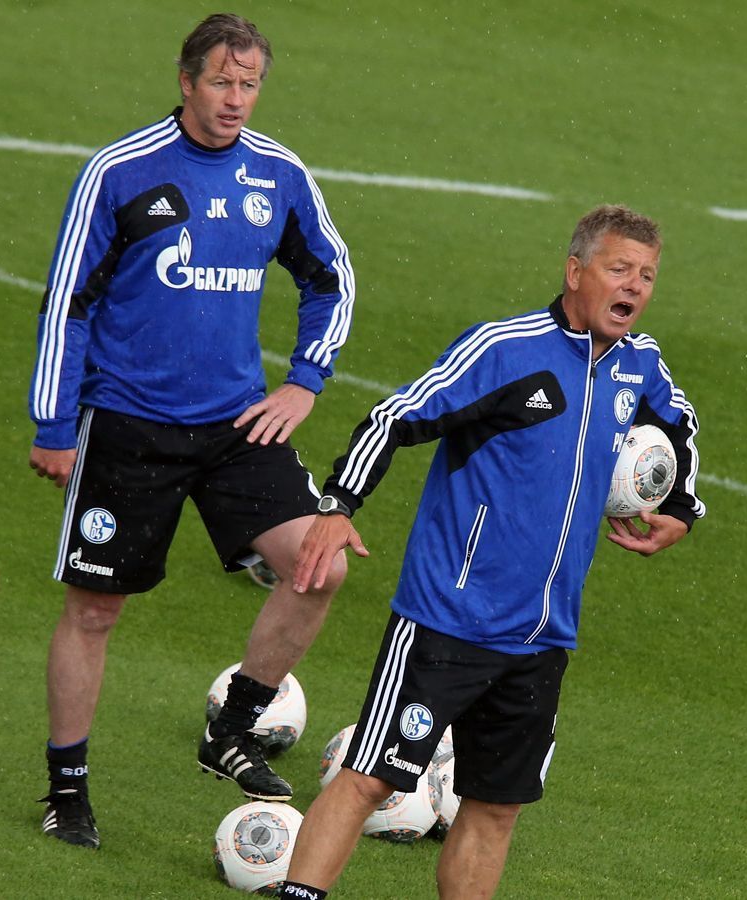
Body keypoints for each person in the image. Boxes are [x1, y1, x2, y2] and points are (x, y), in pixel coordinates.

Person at [279, 205, 704, 899]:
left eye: (647, 275)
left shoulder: (640, 366)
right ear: (575, 271)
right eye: (618, 268)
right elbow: (395, 418)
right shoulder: (505, 350)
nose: (634, 286)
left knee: (496, 807)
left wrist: (682, 508)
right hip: (448, 618)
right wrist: (337, 504)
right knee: (368, 778)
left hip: (543, 637)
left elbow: (680, 426)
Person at [26, 13, 356, 851]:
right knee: (96, 613)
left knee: (319, 568)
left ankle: (231, 728)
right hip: (127, 426)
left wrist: (304, 382)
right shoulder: (120, 173)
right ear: (185, 81)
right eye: (221, 82)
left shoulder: (276, 174)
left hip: (236, 423)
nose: (235, 100)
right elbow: (69, 303)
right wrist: (55, 423)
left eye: (249, 85)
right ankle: (67, 789)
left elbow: (333, 278)